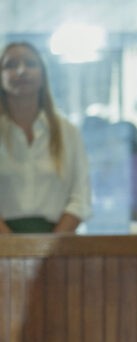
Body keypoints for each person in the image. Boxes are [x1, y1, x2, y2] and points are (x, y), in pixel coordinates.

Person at [0, 41, 91, 233]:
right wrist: (10, 244)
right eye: (11, 65)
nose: (21, 71)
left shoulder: (68, 132)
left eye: (30, 64)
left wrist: (51, 245)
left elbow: (81, 197)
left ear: (43, 75)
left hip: (58, 241)